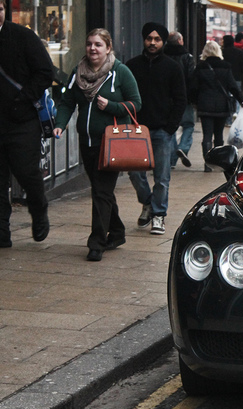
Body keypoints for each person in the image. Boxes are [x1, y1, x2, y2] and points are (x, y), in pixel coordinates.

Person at [52, 28, 141, 261]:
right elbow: (67, 102)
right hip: (87, 141)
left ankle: (97, 243)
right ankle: (118, 231)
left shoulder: (120, 72)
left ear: (108, 48)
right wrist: (60, 124)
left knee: (101, 191)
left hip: (111, 142)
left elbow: (136, 104)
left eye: (98, 44)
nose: (93, 48)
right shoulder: (78, 72)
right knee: (102, 191)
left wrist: (110, 106)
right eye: (90, 43)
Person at [0, 0, 54, 249]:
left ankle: (39, 209)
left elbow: (45, 72)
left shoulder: (22, 36)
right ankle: (2, 233)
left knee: (26, 172)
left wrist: (23, 100)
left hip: (21, 121)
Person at [126, 22, 186, 236]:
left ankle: (158, 214)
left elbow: (180, 99)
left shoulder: (172, 67)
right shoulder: (131, 66)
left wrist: (171, 127)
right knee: (134, 173)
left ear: (162, 41)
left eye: (157, 39)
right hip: (136, 130)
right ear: (144, 39)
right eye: (149, 38)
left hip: (162, 130)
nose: (152, 42)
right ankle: (148, 203)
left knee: (161, 177)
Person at [190, 40, 243, 170]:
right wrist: (241, 99)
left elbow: (193, 88)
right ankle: (217, 162)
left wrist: (195, 102)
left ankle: (207, 164)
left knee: (207, 135)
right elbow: (232, 86)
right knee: (219, 135)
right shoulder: (225, 66)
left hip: (205, 105)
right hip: (221, 105)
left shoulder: (200, 67)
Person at [164, 31, 194, 169]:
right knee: (188, 125)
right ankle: (183, 147)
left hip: (167, 97)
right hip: (184, 97)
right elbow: (191, 78)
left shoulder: (163, 56)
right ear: (180, 41)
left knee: (171, 127)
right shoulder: (187, 57)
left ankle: (171, 160)